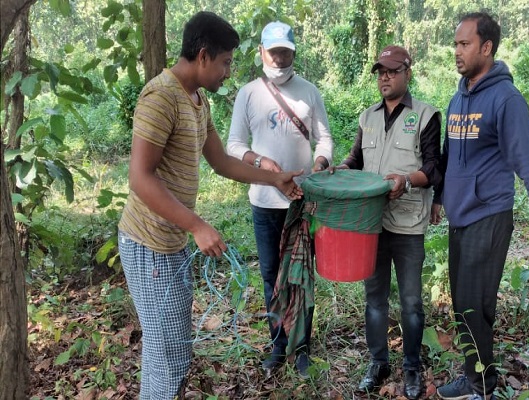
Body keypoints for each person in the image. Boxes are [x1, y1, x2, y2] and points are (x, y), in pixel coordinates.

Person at [117, 12, 303, 400]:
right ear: (203, 56)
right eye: (225, 62)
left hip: (171, 246)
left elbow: (221, 161)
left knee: (173, 349)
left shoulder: (197, 100)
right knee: (167, 352)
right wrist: (197, 225)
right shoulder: (160, 97)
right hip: (147, 244)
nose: (228, 72)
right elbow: (140, 177)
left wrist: (274, 178)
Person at [431, 12, 529, 400]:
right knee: (462, 304)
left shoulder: (506, 100)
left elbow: (528, 160)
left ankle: (482, 386)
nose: (457, 51)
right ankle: (475, 376)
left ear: (486, 47)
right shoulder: (459, 96)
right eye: (456, 44)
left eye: (464, 44)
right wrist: (440, 198)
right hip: (460, 216)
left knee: (475, 305)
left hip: (488, 214)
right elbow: (449, 155)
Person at [333, 45, 442, 400]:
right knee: (374, 299)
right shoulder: (367, 117)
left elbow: (433, 168)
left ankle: (411, 367)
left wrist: (406, 181)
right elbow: (355, 158)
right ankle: (378, 362)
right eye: (381, 71)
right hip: (371, 224)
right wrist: (341, 169)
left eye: (393, 70)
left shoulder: (425, 116)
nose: (385, 76)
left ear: (407, 72)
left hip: (408, 224)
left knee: (411, 301)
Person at [226, 21, 333, 377]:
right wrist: (263, 163)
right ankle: (278, 343)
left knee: (301, 275)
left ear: (293, 52)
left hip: (302, 202)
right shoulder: (248, 94)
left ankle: (302, 346)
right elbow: (235, 145)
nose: (281, 58)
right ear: (262, 53)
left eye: (286, 51)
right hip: (264, 202)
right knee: (272, 274)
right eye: (274, 52)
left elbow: (325, 139)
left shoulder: (309, 92)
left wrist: (319, 164)